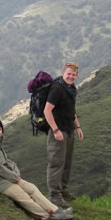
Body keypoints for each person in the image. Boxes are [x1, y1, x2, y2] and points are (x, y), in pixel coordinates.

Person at [0, 118, 73, 220]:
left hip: (4, 177)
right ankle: (46, 216)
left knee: (31, 188)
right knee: (22, 195)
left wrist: (16, 172)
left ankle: (55, 211)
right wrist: (14, 177)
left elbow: (8, 162)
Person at [43, 62, 84, 208]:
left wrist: (77, 126)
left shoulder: (71, 89)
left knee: (67, 162)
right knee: (56, 163)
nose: (71, 77)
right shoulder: (57, 89)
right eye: (69, 74)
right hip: (58, 132)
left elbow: (71, 111)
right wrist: (55, 130)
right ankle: (54, 195)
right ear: (63, 73)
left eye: (74, 75)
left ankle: (63, 190)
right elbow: (47, 111)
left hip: (69, 130)